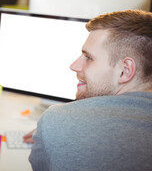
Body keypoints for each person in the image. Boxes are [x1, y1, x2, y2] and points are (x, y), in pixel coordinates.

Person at [27, 10, 152, 170]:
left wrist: (56, 127)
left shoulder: (56, 120)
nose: (74, 66)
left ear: (125, 70)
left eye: (88, 58)